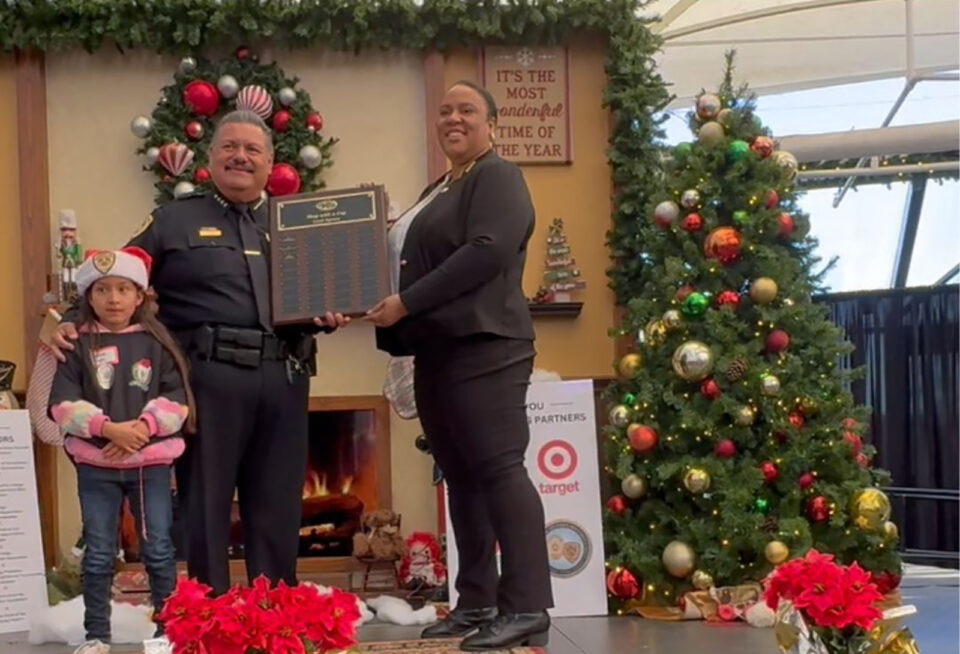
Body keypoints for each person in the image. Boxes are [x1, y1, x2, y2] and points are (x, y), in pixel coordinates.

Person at [49, 110, 348, 595]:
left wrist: (335, 310)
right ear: (210, 158)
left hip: (286, 375)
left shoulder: (295, 225)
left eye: (253, 150)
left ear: (271, 163)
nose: (241, 157)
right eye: (230, 146)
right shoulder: (174, 219)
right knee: (205, 503)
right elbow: (117, 279)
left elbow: (325, 293)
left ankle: (275, 616)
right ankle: (208, 617)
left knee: (277, 503)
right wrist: (67, 322)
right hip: (209, 377)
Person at [368, 81, 553, 651]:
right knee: (462, 478)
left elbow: (487, 249)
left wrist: (406, 301)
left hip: (486, 344)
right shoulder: (441, 186)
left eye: (466, 109)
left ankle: (526, 606)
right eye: (444, 110)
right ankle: (475, 601)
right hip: (437, 348)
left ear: (491, 124)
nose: (453, 117)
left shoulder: (497, 175)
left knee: (498, 470)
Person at [48, 247, 193, 654]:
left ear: (140, 296)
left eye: (123, 289)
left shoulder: (158, 343)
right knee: (97, 550)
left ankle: (169, 633)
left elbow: (177, 400)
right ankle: (97, 634)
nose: (113, 299)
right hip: (97, 466)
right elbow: (62, 403)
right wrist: (108, 429)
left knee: (159, 547)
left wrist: (143, 429)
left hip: (150, 466)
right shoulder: (77, 344)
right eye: (103, 290)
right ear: (88, 297)